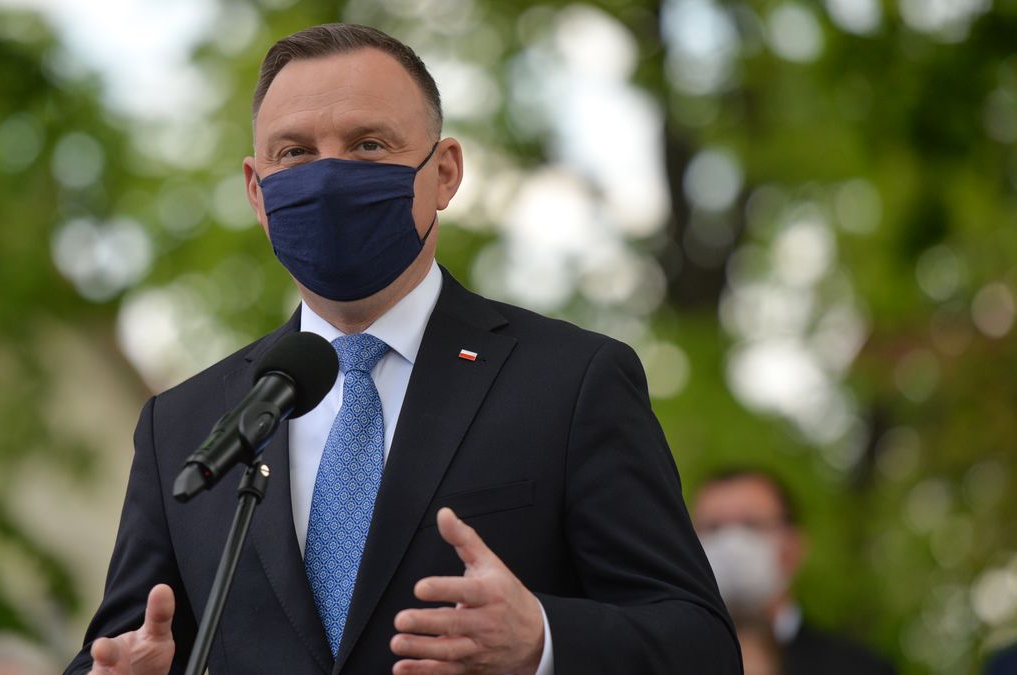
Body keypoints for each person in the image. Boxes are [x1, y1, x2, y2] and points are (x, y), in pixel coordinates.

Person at [66, 24, 740, 675]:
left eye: (367, 145)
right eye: (295, 152)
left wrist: (541, 637)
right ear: (256, 191)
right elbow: (119, 645)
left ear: (444, 172)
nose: (327, 178)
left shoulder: (570, 383)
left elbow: (699, 644)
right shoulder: (185, 425)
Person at [692, 468, 896, 675]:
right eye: (713, 528)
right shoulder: (667, 660)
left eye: (751, 525)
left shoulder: (861, 669)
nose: (731, 545)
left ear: (794, 548)